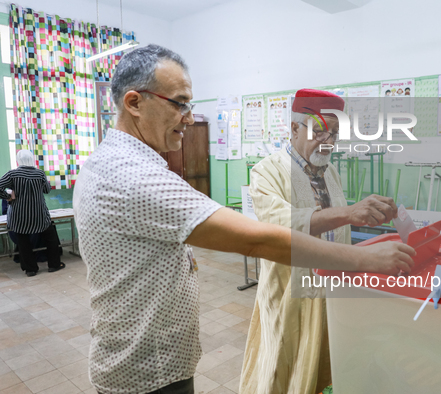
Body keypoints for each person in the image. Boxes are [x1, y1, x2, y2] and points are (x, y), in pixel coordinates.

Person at [73, 45, 415, 394]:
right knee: (287, 370)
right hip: (149, 371)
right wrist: (365, 257)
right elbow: (263, 236)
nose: (189, 118)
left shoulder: (115, 163)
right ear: (134, 103)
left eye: (334, 134)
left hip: (156, 360)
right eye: (180, 104)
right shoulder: (135, 176)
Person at [240, 89, 415, 394]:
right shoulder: (267, 171)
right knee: (284, 367)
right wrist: (349, 212)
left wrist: (362, 217)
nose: (329, 141)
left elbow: (336, 223)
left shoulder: (329, 170)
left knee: (327, 364)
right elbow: (283, 226)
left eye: (335, 133)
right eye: (320, 130)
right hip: (289, 295)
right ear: (294, 128)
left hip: (332, 291)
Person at [0, 150, 64, 276]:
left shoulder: (12, 174)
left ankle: (30, 269)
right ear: (32, 159)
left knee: (23, 241)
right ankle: (54, 265)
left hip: (19, 216)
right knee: (50, 238)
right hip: (39, 214)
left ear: (18, 160)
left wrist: (8, 197)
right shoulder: (39, 173)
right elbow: (47, 190)